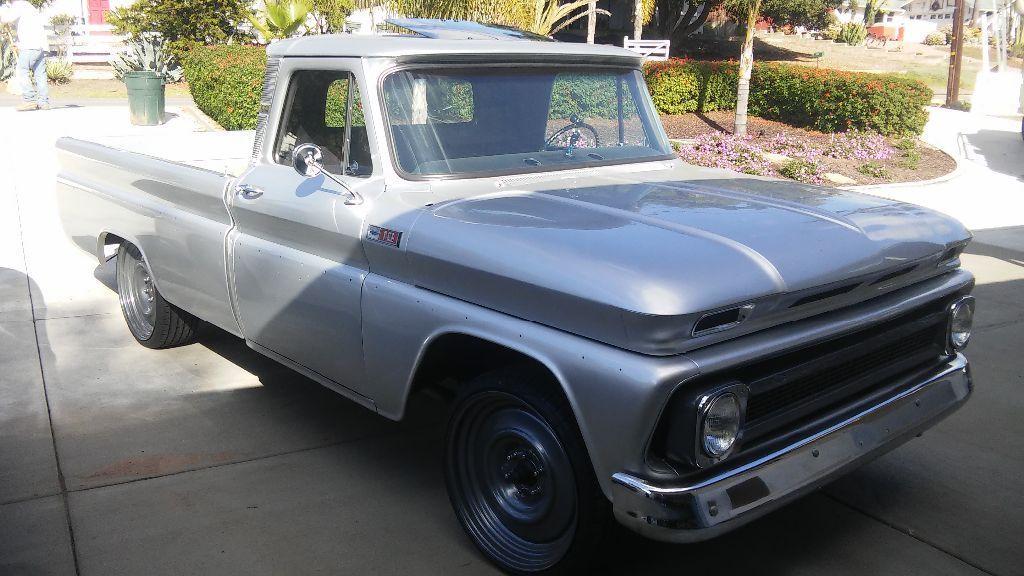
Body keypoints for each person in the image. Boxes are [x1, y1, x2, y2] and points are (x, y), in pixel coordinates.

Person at [0, 0, 50, 111]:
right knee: (40, 74)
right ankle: (43, 102)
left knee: (21, 71)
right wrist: (19, 44)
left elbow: (5, 18)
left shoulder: (19, 5)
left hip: (30, 45)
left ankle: (29, 100)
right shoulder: (29, 6)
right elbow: (27, 26)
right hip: (40, 45)